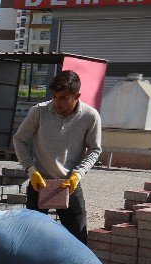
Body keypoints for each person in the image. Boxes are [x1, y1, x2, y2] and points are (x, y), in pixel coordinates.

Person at [13, 69, 102, 245]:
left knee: (78, 238)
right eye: (54, 96)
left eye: (63, 98)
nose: (56, 102)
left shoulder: (90, 116)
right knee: (32, 238)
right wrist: (31, 170)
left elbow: (95, 149)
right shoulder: (39, 112)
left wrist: (78, 174)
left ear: (77, 96)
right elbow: (19, 139)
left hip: (69, 185)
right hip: (39, 183)